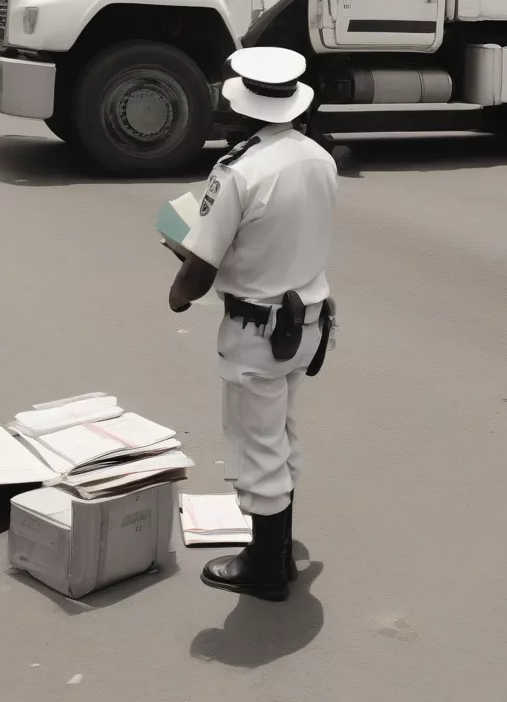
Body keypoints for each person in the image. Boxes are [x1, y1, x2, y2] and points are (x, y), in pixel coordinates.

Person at [168, 46, 338, 602]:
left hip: (259, 331)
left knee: (258, 445)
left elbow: (199, 270)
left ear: (240, 107)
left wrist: (180, 289)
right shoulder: (318, 157)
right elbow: (278, 235)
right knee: (282, 435)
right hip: (307, 324)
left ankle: (265, 566)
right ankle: (280, 551)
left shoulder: (238, 171)